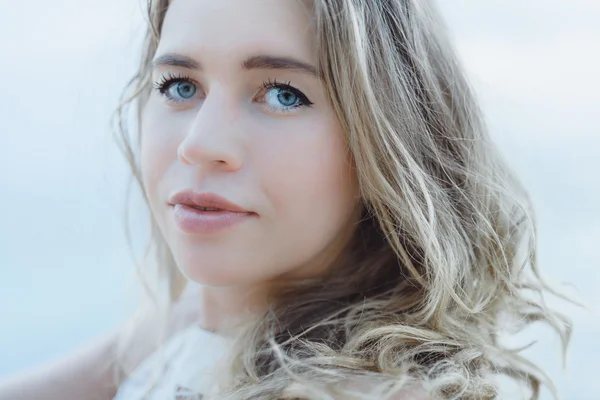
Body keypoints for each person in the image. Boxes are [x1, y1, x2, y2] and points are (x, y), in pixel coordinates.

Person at [0, 0, 572, 399]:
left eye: (282, 94)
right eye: (180, 85)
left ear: (385, 141)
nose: (201, 144)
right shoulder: (188, 326)